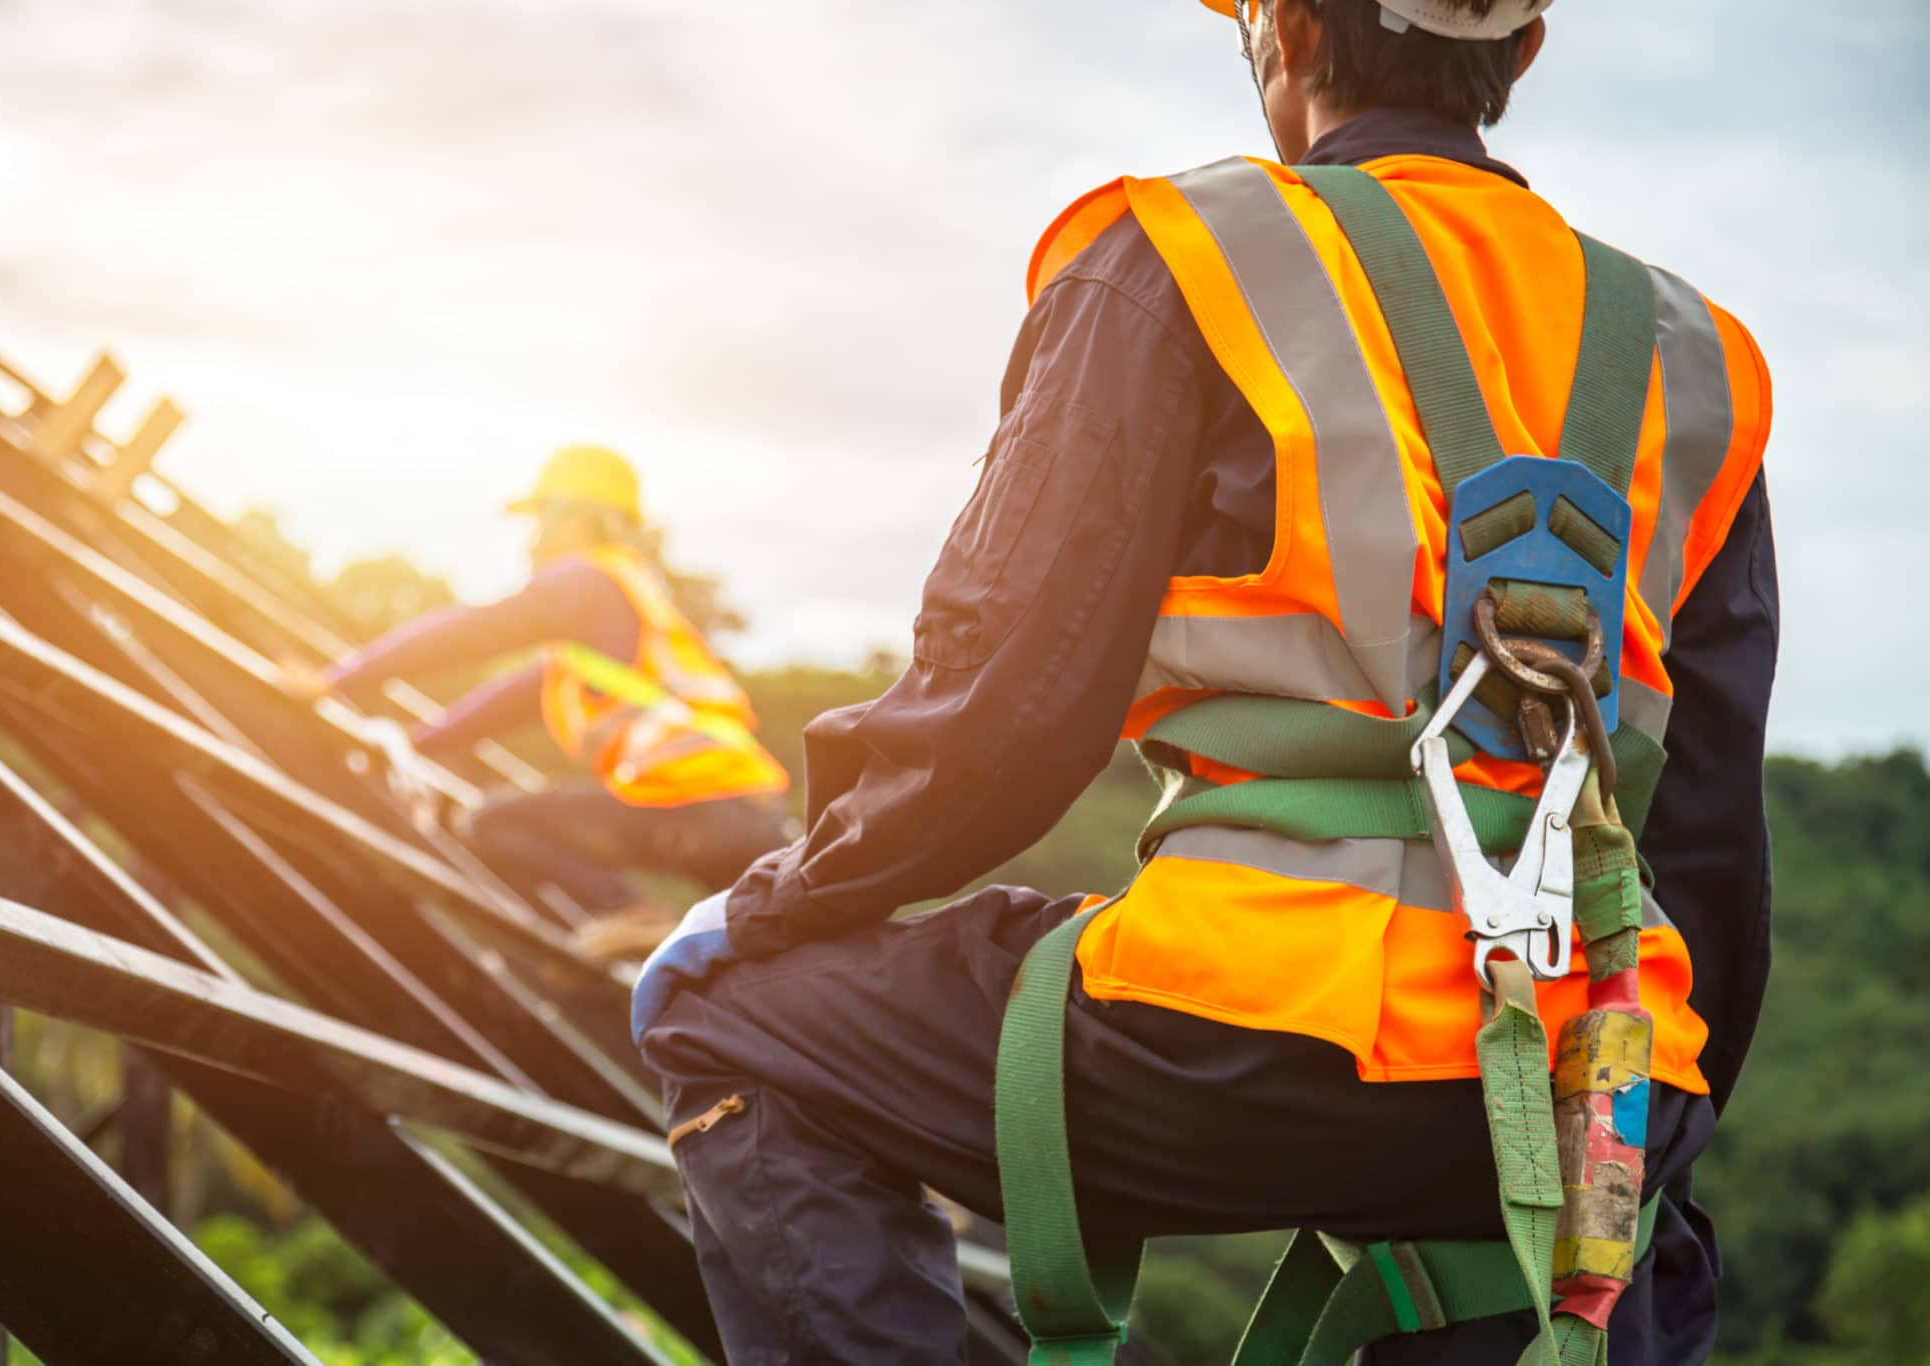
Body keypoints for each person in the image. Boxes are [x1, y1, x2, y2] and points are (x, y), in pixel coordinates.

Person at [631, 1, 1779, 1362]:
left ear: (1285, 30)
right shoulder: (1696, 358)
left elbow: (1004, 713)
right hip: (1590, 1070)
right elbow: (1705, 840)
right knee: (1594, 1254)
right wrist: (1648, 1122)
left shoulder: (1184, 258)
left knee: (726, 1017)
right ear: (1521, 52)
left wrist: (782, 899)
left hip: (1249, 1031)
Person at [318, 444, 790, 940]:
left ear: (573, 518)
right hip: (748, 815)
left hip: (694, 803)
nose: (534, 538)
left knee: (494, 823)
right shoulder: (615, 618)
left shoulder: (586, 580)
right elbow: (499, 706)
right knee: (754, 960)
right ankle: (624, 935)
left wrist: (338, 678)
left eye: (540, 518)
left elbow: (471, 631)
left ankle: (630, 915)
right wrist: (416, 745)